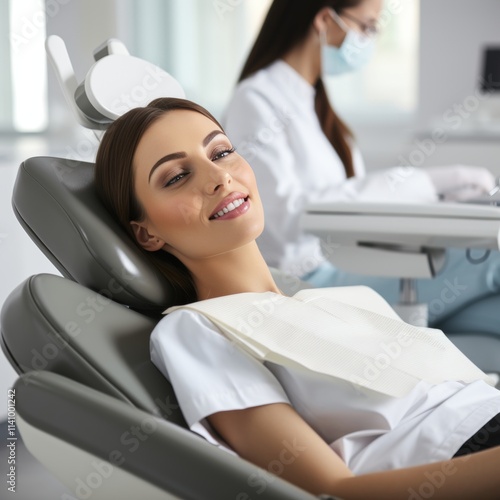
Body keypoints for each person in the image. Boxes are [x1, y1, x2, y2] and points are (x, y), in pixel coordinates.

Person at [94, 97, 500, 499]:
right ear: (146, 233)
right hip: (465, 451)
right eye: (176, 177)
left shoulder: (325, 302)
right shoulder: (194, 328)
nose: (219, 177)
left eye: (221, 151)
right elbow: (334, 489)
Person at [221, 0, 500, 331]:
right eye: (367, 27)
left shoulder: (314, 103)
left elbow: (355, 201)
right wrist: (428, 181)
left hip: (345, 260)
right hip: (305, 279)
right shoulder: (256, 100)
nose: (370, 40)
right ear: (325, 20)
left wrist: (437, 199)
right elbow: (282, 217)